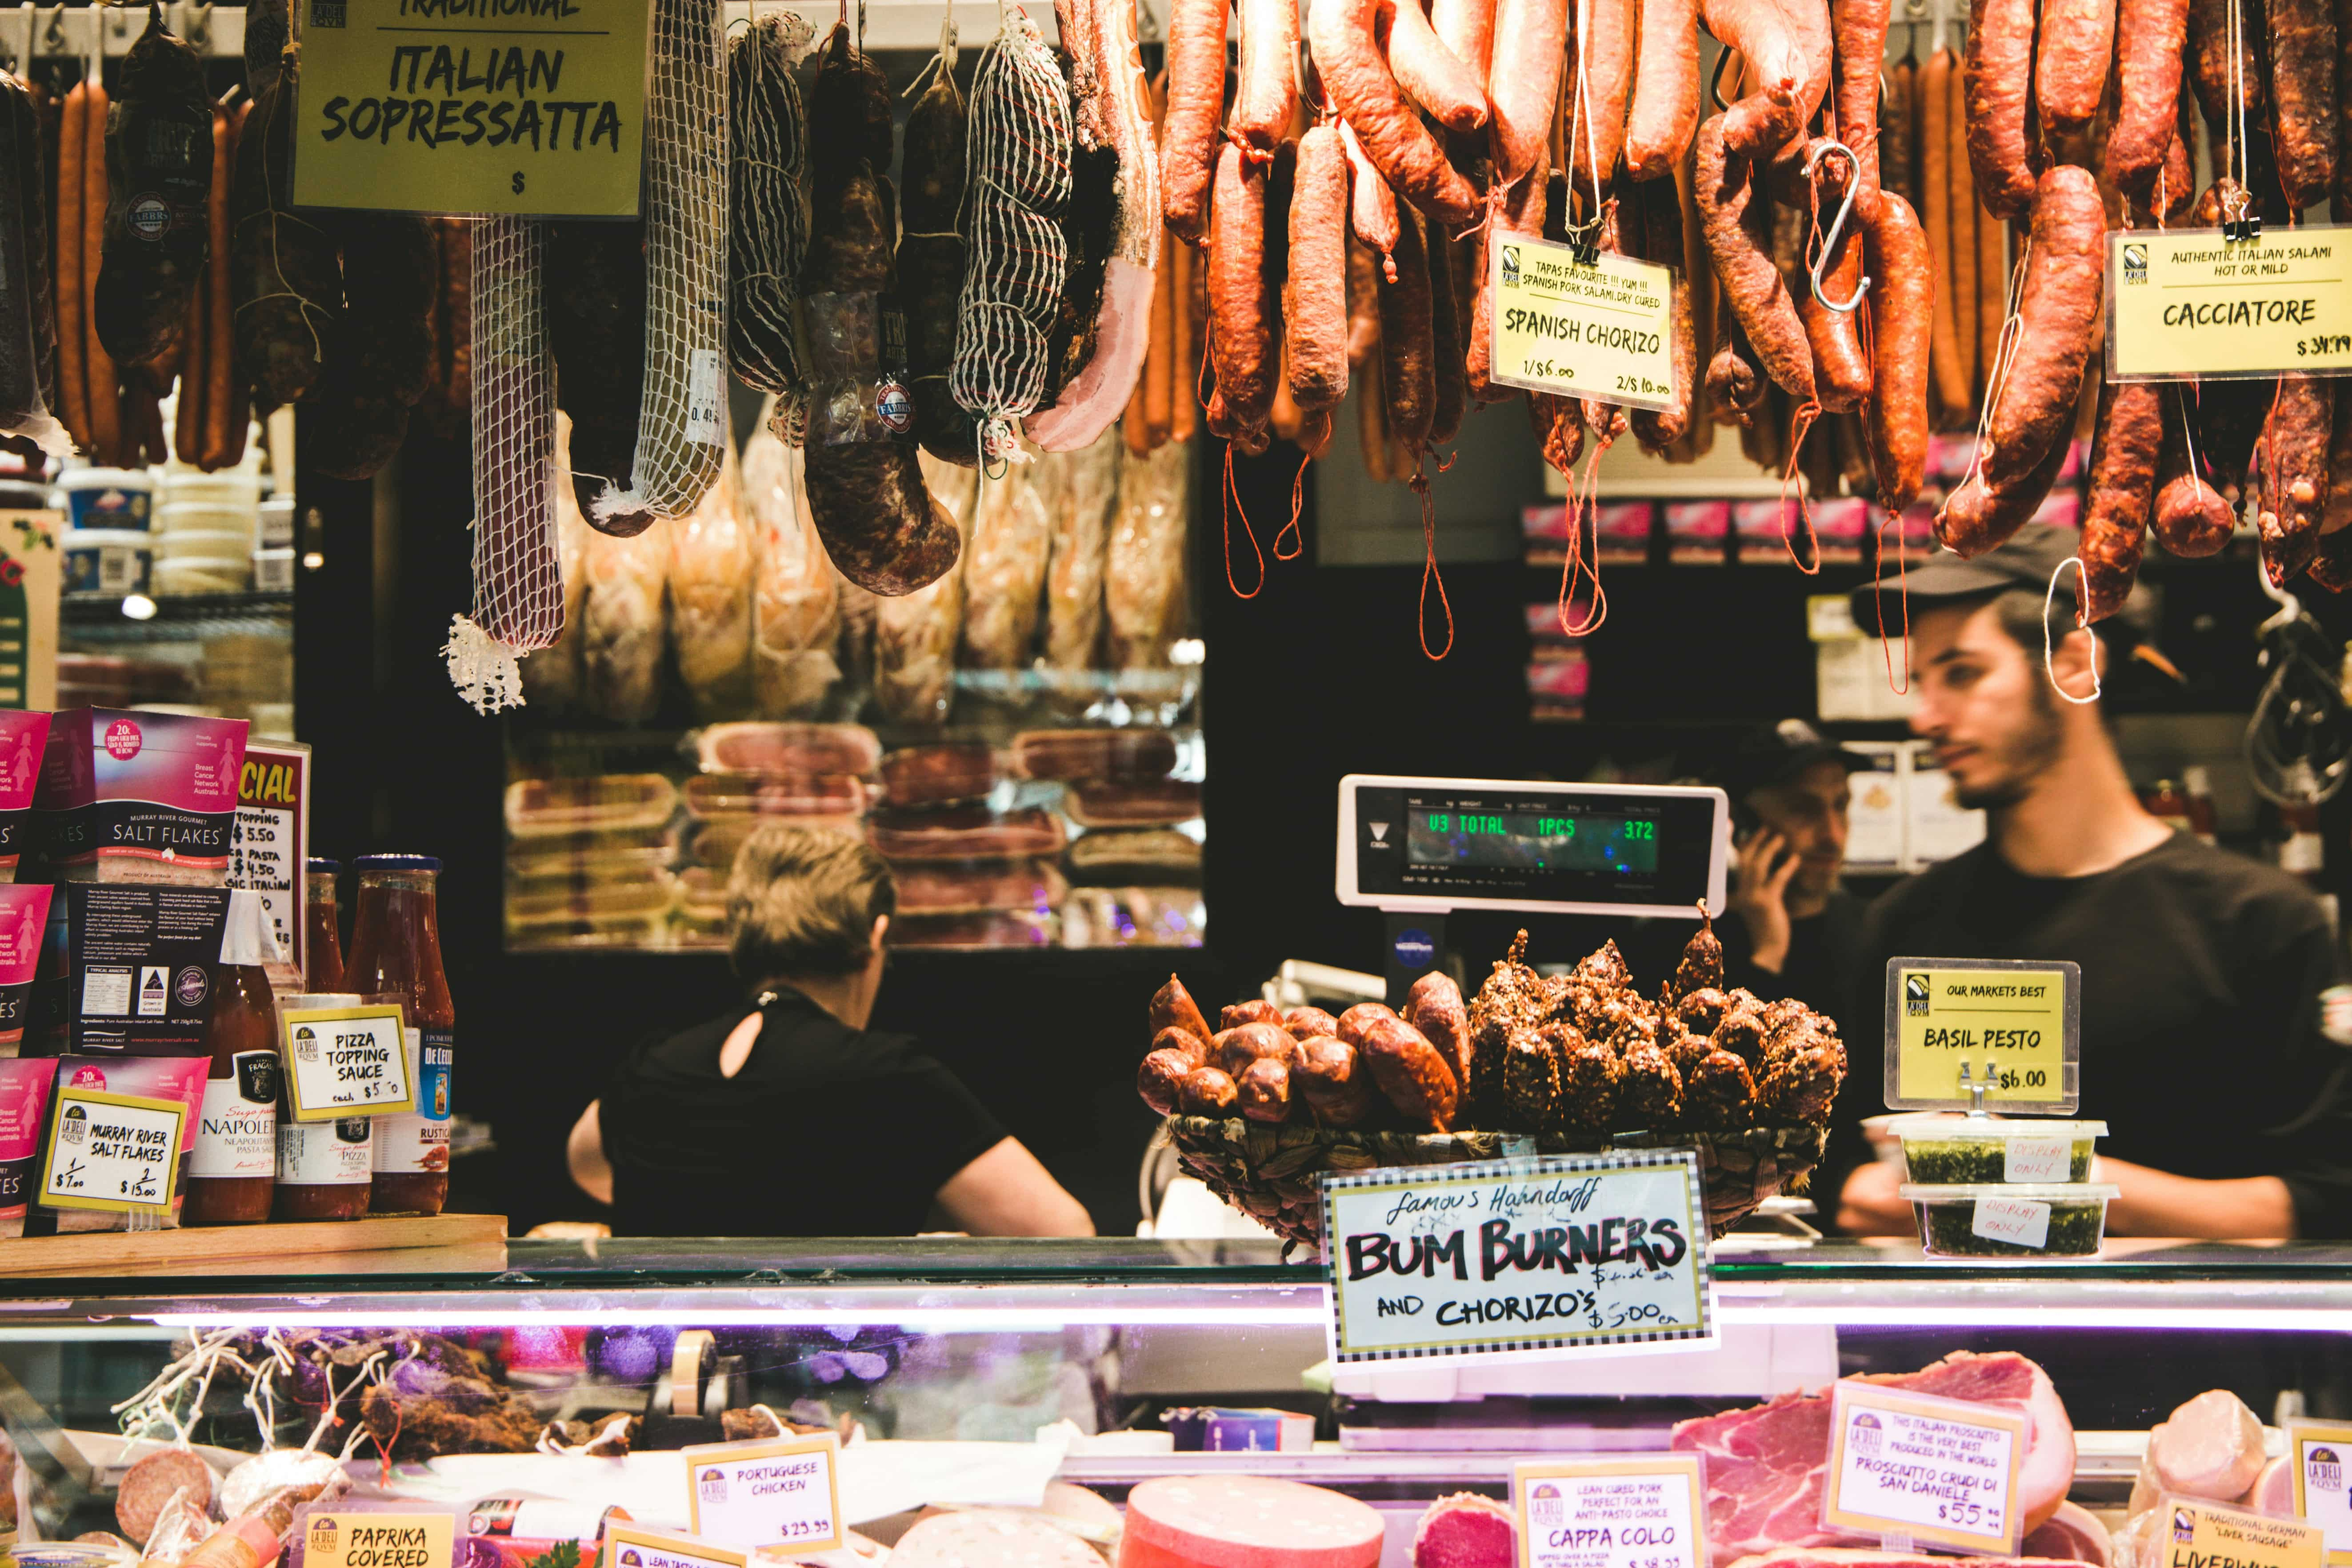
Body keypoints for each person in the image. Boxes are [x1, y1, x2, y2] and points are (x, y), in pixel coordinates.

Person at [1830, 529, 2352, 1239]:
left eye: (1962, 673)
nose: (1926, 716)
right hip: (1951, 1351)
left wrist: (2054, 1176)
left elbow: (2321, 1201)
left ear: (2074, 663)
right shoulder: (1903, 929)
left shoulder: (2260, 923)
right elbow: (1850, 1192)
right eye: (1923, 683)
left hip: (2186, 1348)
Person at [568, 823, 1095, 1238]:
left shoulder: (650, 1067)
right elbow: (1063, 1233)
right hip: (836, 1374)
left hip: (666, 1373)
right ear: (876, 936)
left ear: (742, 938)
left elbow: (586, 1164)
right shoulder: (892, 1077)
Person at [1714, 720, 1868, 1024]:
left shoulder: (1875, 932)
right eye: (1804, 810)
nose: (1833, 836)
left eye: (1840, 806)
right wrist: (1768, 955)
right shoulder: (1698, 948)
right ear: (1744, 824)